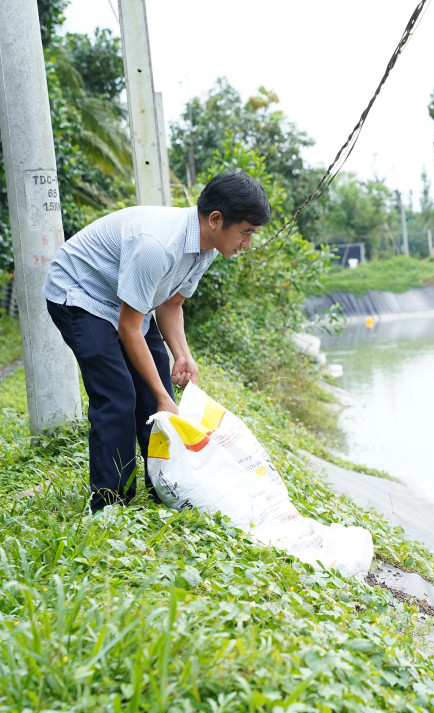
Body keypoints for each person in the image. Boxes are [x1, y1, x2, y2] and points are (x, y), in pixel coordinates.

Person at [43, 171, 271, 513]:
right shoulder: (158, 246)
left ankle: (164, 486)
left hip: (130, 302)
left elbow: (171, 303)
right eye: (246, 232)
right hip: (81, 293)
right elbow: (129, 328)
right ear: (216, 219)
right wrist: (166, 398)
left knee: (155, 394)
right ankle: (110, 503)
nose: (247, 243)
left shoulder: (205, 247)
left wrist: (182, 355)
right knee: (118, 394)